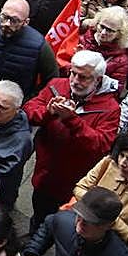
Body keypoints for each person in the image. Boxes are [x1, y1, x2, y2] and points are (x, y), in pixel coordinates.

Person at [23, 50, 121, 231]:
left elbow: (101, 145)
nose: (75, 81)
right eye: (73, 74)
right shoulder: (56, 86)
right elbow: (29, 109)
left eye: (83, 77)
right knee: (39, 214)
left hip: (75, 179)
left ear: (98, 80)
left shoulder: (110, 109)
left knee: (66, 224)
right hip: (45, 171)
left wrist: (71, 120)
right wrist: (48, 111)